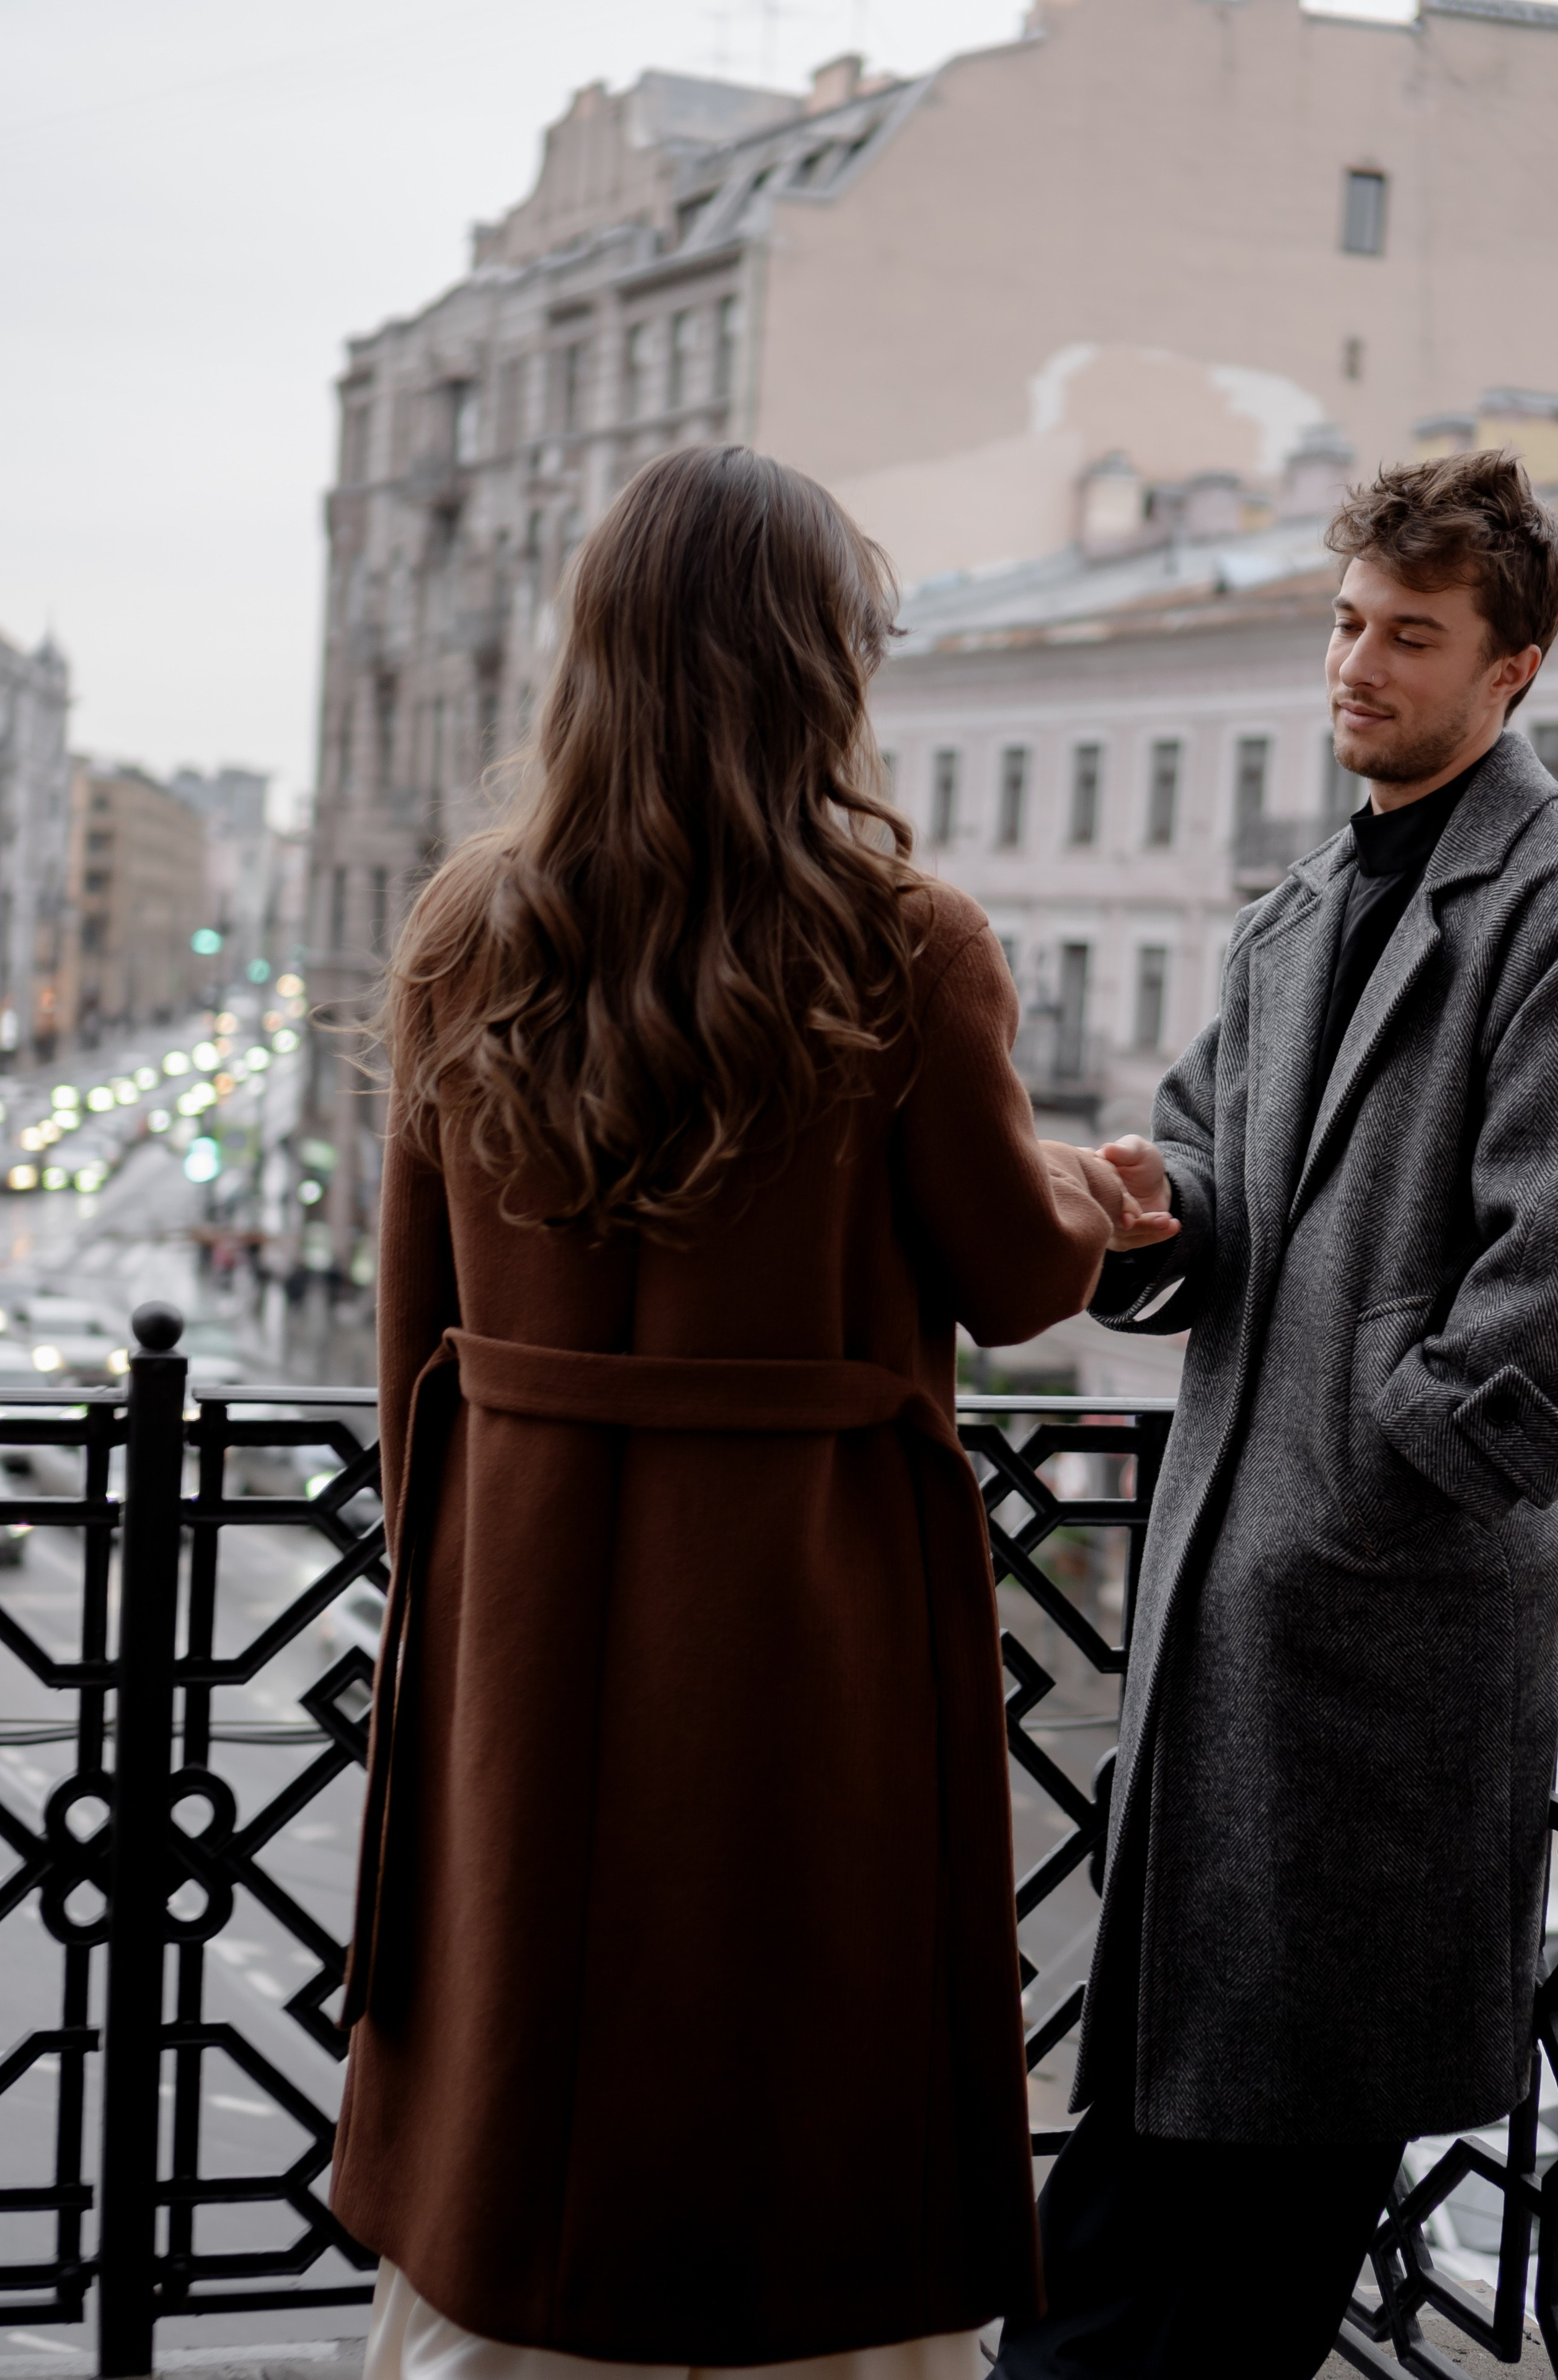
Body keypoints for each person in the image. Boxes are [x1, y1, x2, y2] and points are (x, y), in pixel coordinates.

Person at [332, 445, 1131, 2380]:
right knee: (794, 2047)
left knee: (529, 2021)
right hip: (799, 1611)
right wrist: (1094, 1201)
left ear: (593, 657)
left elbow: (409, 1351)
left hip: (522, 1591)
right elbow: (1018, 1279)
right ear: (812, 671)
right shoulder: (901, 940)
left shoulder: (468, 936)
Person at [996, 449, 1558, 2380]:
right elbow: (1204, 1159)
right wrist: (1148, 1212)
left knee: (1268, 2214)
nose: (1359, 667)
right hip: (1218, 1629)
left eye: (1413, 636)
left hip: (1379, 1633)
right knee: (1141, 2165)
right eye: (1347, 625)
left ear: (1511, 675)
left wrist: (1379, 1475)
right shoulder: (1296, 907)